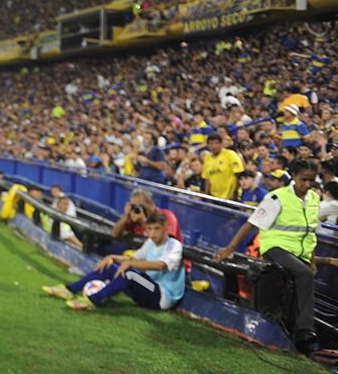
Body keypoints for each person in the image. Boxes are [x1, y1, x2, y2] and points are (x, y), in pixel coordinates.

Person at [215, 159, 321, 354]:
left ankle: (296, 330)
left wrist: (312, 259)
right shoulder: (276, 198)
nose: (308, 184)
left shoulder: (314, 198)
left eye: (311, 180)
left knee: (304, 275)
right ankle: (306, 330)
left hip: (300, 253)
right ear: (294, 176)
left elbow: (310, 232)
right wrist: (230, 248)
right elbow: (252, 223)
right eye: (304, 179)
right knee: (304, 275)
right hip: (275, 247)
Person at [44, 212, 185, 311]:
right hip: (147, 291)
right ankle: (69, 290)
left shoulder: (174, 245)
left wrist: (129, 263)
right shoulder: (150, 242)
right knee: (110, 267)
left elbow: (161, 265)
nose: (153, 233)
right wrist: (112, 257)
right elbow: (133, 259)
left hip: (163, 298)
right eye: (149, 229)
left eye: (157, 229)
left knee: (129, 273)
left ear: (165, 228)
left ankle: (93, 300)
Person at [107, 188, 181, 253]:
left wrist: (143, 222)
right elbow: (115, 234)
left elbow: (163, 243)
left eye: (140, 206)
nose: (137, 209)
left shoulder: (167, 216)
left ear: (151, 204)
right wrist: (126, 216)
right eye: (134, 206)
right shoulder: (135, 217)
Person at [200, 132, 244, 200]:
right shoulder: (207, 158)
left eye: (216, 143)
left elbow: (239, 174)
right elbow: (207, 178)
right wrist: (207, 195)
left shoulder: (230, 154)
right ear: (208, 145)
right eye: (211, 143)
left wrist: (234, 193)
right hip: (214, 196)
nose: (214, 146)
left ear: (221, 144)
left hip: (231, 197)